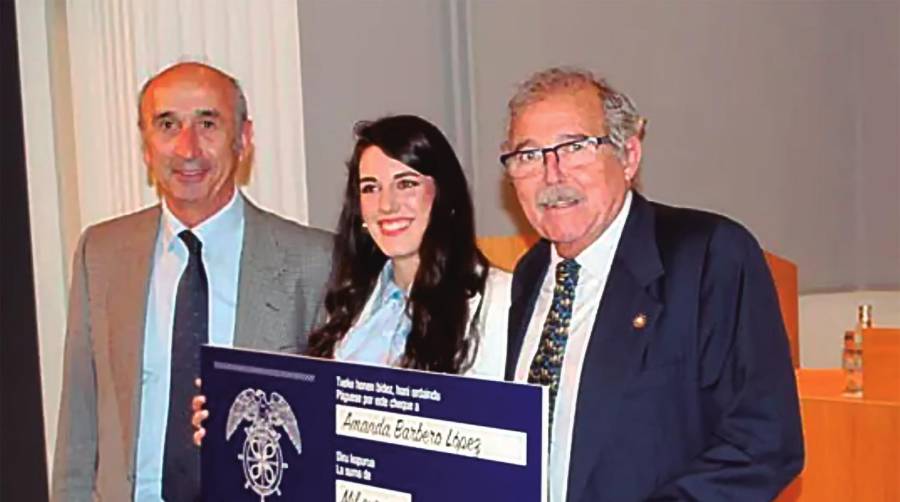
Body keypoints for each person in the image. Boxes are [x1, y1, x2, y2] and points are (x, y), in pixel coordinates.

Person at [500, 68, 804, 501]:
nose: (552, 174)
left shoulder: (709, 256)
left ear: (628, 156)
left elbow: (763, 443)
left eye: (574, 148)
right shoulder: (531, 274)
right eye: (529, 156)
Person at [52, 62, 332, 502]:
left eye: (208, 123)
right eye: (167, 124)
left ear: (243, 138)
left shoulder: (315, 262)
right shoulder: (101, 254)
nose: (187, 148)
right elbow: (79, 425)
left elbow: (336, 434)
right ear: (146, 145)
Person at [192, 114, 510, 443]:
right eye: (371, 188)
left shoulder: (498, 301)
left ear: (444, 194)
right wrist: (228, 427)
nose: (387, 205)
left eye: (406, 184)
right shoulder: (347, 305)